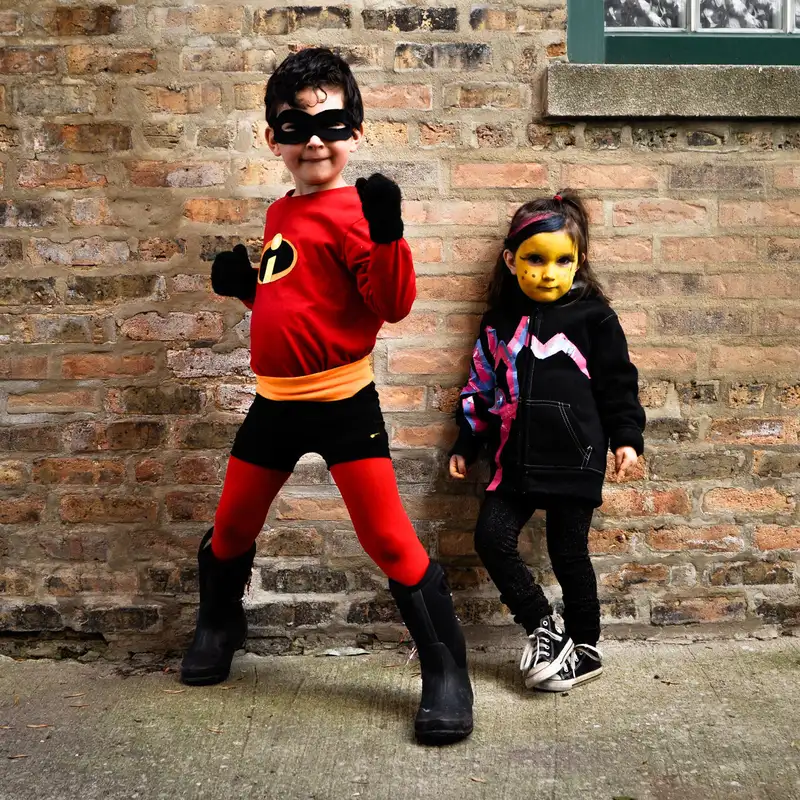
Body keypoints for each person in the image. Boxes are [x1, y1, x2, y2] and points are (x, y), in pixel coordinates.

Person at [179, 47, 472, 745]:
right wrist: (246, 291)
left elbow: (391, 303)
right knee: (231, 528)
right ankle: (219, 624)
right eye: (296, 126)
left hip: (343, 404)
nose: (314, 140)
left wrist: (390, 233)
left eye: (331, 124)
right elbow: (301, 304)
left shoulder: (358, 212)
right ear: (273, 138)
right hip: (275, 404)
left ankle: (446, 669)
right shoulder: (281, 211)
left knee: (388, 539)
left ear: (355, 133)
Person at [449, 191, 645, 692]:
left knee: (568, 552)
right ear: (511, 259)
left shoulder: (594, 317)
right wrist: (466, 442)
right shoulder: (497, 322)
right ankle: (543, 626)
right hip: (512, 458)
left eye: (562, 261)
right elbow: (480, 386)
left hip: (576, 456)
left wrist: (626, 438)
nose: (548, 273)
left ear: (580, 261)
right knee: (491, 538)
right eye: (535, 259)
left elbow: (618, 384)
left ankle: (586, 648)